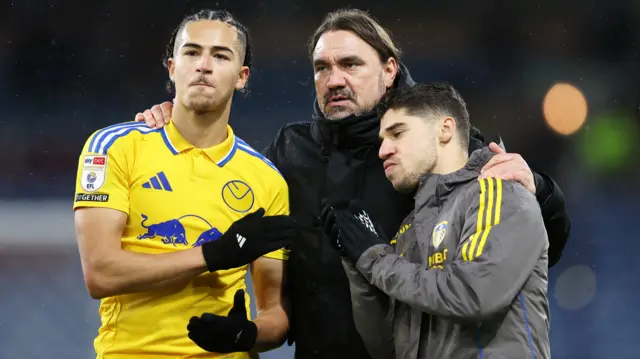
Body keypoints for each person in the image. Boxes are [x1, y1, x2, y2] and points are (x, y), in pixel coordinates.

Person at [135, 9, 570, 359]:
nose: (334, 79)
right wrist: (175, 124)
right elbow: (225, 201)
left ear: (389, 70)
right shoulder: (290, 150)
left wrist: (541, 190)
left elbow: (522, 245)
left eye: (350, 64)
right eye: (322, 68)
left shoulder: (430, 144)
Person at [73, 9, 295, 359]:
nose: (204, 65)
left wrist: (246, 334)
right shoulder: (113, 147)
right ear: (173, 67)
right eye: (192, 52)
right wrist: (212, 255)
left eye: (221, 56)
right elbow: (100, 273)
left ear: (242, 76)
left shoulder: (267, 180)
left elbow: (276, 314)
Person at [322, 83, 550, 359]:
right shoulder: (409, 230)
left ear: (445, 130)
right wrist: (358, 262)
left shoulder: (498, 194)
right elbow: (387, 349)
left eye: (397, 133)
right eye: (382, 141)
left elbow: (472, 294)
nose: (383, 150)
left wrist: (376, 260)